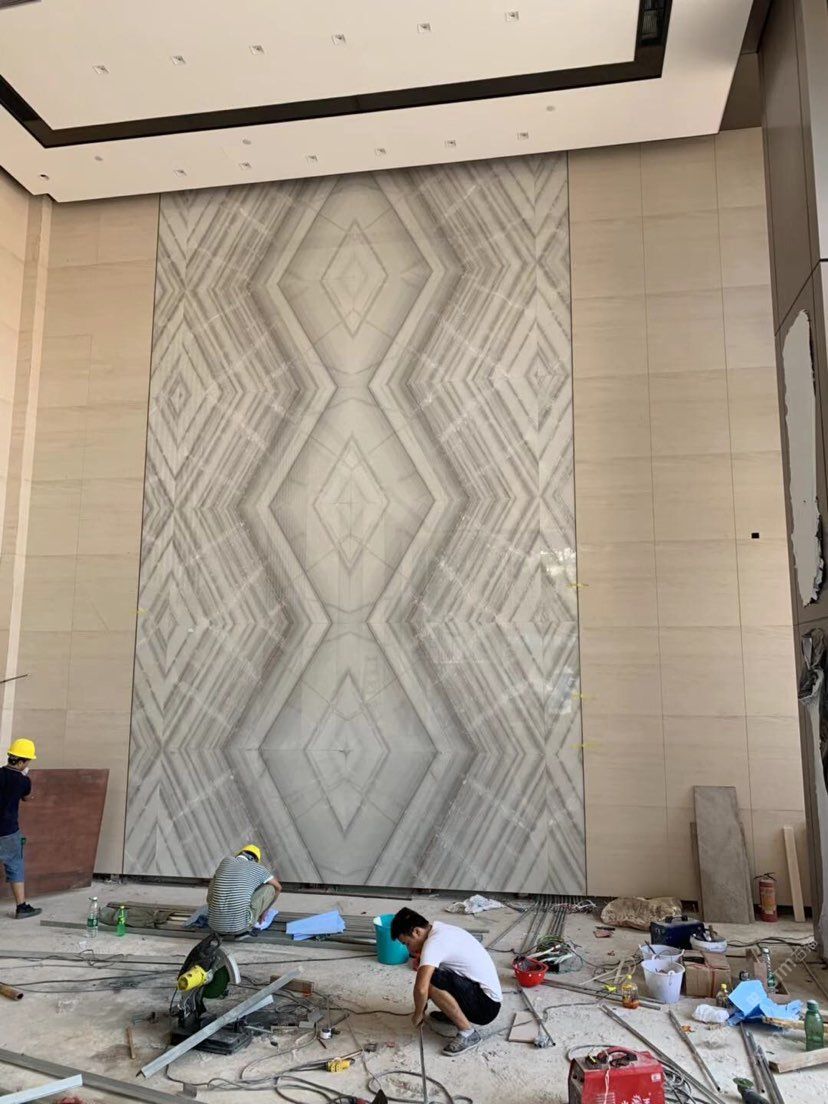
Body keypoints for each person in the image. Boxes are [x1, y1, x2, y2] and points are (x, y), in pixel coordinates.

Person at [390, 907, 502, 1055]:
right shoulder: (440, 930)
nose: (409, 950)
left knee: (432, 980)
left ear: (417, 932)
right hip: (484, 996)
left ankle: (468, 1033)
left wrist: (418, 1014)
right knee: (434, 975)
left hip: (486, 1007)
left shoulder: (434, 943)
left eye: (407, 943)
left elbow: (421, 988)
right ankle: (454, 1014)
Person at [0, 739, 41, 919]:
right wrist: (24, 778)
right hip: (8, 830)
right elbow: (26, 797)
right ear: (23, 762)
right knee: (15, 864)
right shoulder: (23, 781)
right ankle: (21, 907)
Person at [206, 844, 281, 938]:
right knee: (271, 888)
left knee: (215, 879)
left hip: (214, 925)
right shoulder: (258, 868)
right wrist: (265, 909)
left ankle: (215, 912)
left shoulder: (226, 861)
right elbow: (278, 887)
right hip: (241, 928)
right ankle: (247, 924)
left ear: (239, 854)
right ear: (256, 860)